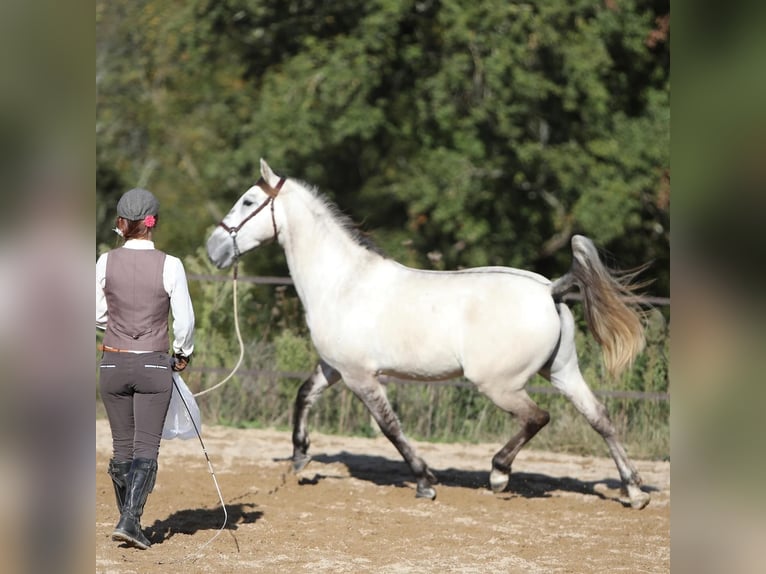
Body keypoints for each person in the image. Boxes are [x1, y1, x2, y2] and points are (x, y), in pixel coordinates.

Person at [96, 188, 195, 549]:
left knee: (121, 445)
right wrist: (183, 353)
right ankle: (130, 520)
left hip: (112, 361)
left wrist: (118, 324)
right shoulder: (171, 264)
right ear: (153, 223)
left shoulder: (104, 262)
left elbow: (95, 314)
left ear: (122, 223)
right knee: (146, 446)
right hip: (153, 362)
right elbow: (184, 321)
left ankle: (127, 520)